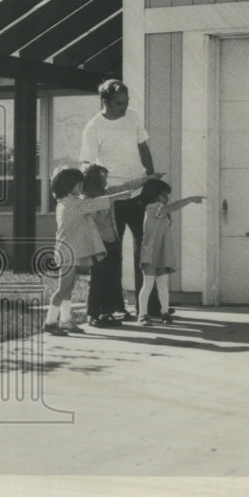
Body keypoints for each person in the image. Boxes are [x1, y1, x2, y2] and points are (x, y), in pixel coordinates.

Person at [79, 79, 162, 317]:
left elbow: (143, 148)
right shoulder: (93, 127)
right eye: (118, 104)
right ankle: (114, 307)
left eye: (126, 102)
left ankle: (148, 307)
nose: (123, 107)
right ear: (104, 101)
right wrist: (96, 197)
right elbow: (87, 165)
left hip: (139, 191)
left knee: (145, 249)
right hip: (112, 196)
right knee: (112, 252)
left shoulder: (133, 117)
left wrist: (151, 182)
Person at [43, 167, 142, 336]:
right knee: (63, 288)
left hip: (68, 250)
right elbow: (97, 202)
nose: (82, 186)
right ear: (68, 186)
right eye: (78, 184)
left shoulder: (68, 202)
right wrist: (118, 196)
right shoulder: (74, 204)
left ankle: (65, 321)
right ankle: (50, 322)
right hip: (67, 252)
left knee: (68, 288)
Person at [82, 164, 149, 328]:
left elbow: (126, 187)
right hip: (98, 244)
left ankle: (107, 312)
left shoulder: (108, 192)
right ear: (94, 181)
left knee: (110, 278)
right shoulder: (86, 200)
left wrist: (148, 179)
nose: (106, 181)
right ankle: (93, 314)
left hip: (112, 241)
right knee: (98, 279)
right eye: (102, 178)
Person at [136, 179, 204, 325]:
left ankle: (165, 312)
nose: (167, 198)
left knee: (162, 283)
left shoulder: (164, 211)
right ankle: (142, 314)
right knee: (148, 283)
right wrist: (190, 199)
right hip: (150, 250)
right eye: (165, 195)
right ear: (157, 195)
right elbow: (170, 207)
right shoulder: (153, 207)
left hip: (162, 250)